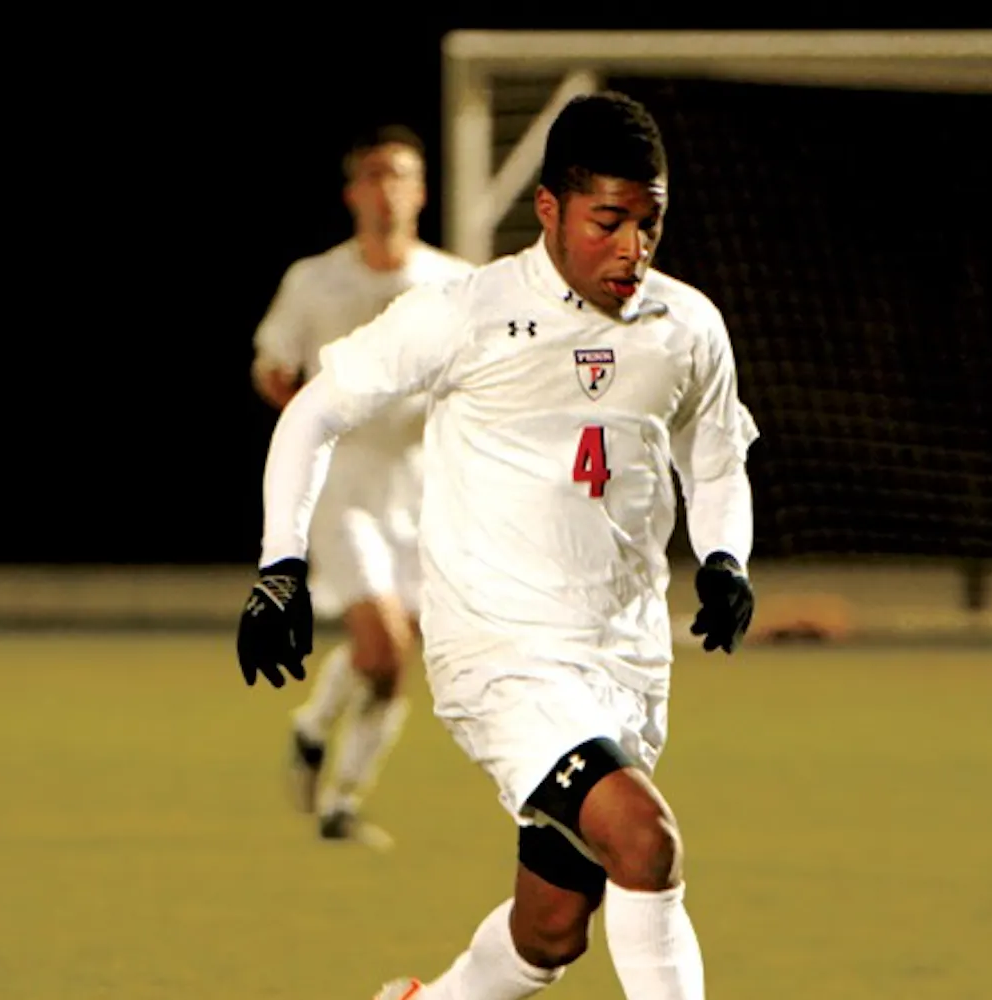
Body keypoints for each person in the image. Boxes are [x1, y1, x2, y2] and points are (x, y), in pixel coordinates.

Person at [237, 91, 758, 1000]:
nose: (633, 249)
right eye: (608, 222)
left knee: (552, 930)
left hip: (625, 659)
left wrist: (725, 558)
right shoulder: (467, 311)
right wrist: (280, 566)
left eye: (650, 223)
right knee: (647, 841)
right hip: (502, 651)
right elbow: (315, 412)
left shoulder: (687, 327)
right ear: (550, 209)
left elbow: (713, 464)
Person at [250, 124, 473, 844]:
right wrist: (287, 390)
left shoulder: (452, 282)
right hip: (342, 485)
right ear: (353, 194)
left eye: (400, 175)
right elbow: (271, 361)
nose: (387, 189)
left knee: (392, 663)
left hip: (424, 488)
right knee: (385, 647)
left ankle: (328, 763)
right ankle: (334, 785)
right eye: (374, 176)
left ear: (420, 192)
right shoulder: (315, 279)